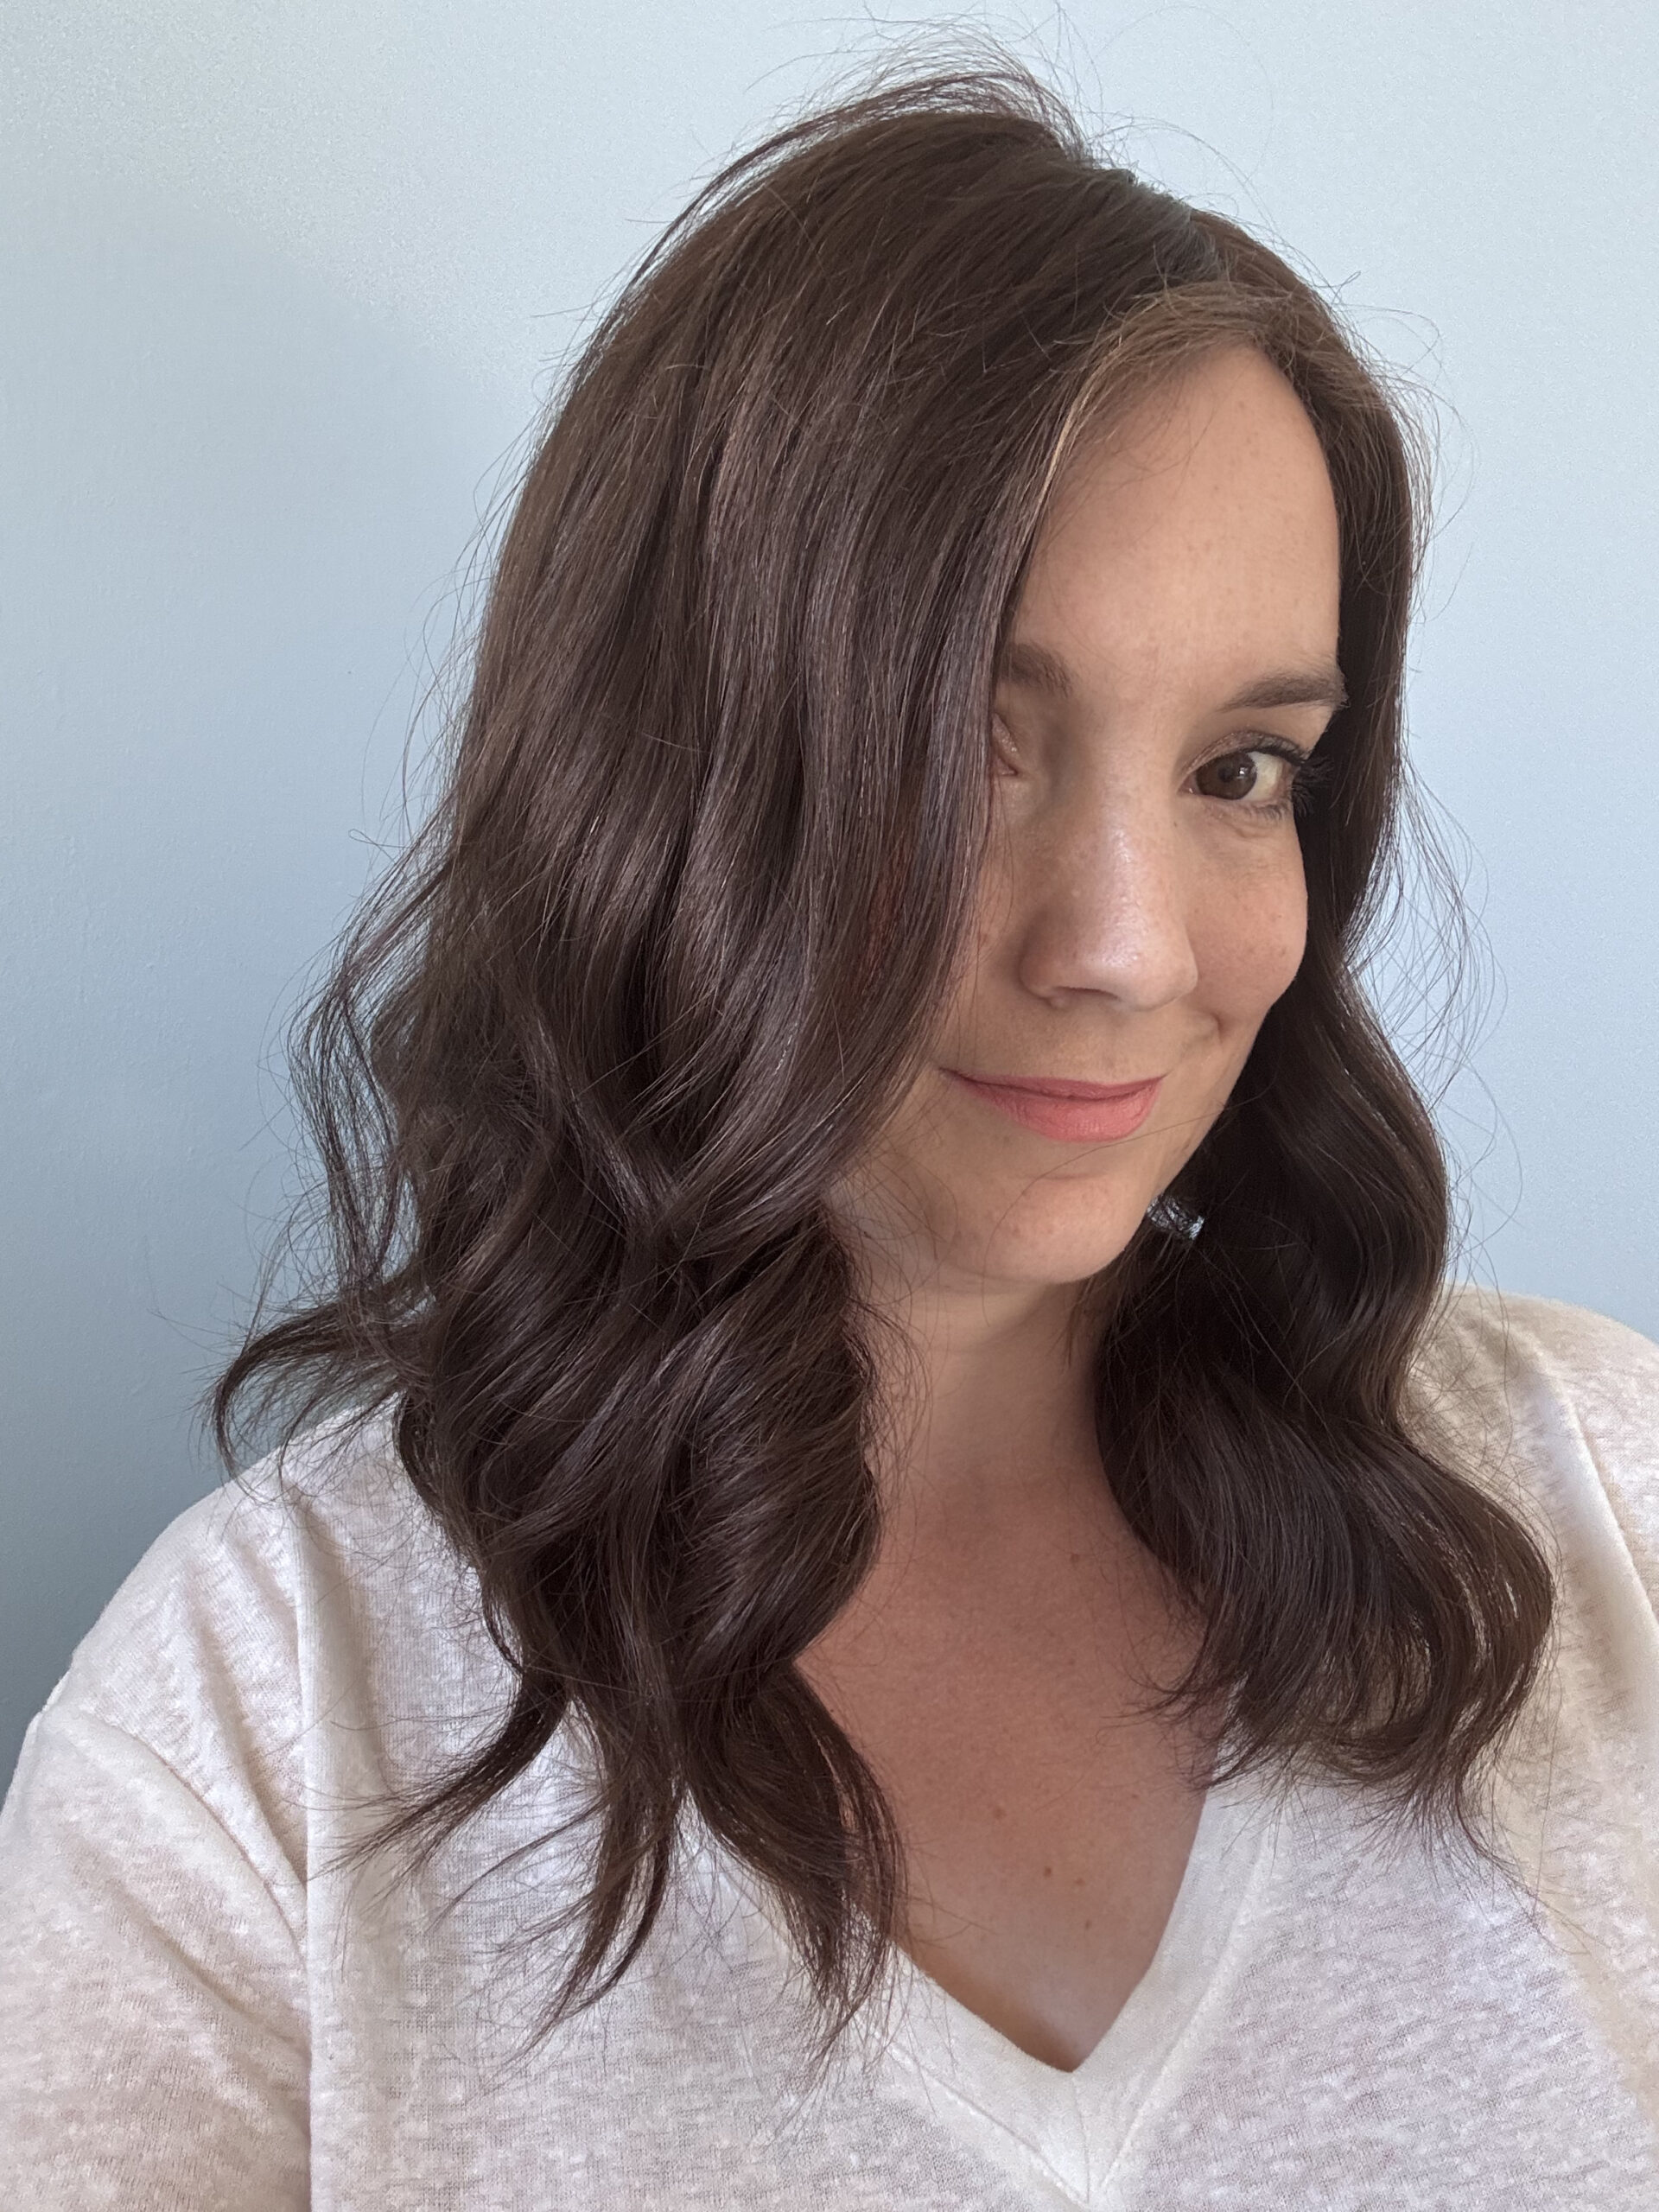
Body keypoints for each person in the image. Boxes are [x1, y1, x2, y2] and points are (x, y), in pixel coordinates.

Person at [2, 60, 1655, 2210]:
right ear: (663, 778)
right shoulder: (253, 1733)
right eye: (963, 747)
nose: (1132, 948)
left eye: (1242, 769)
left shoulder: (1599, 1499)